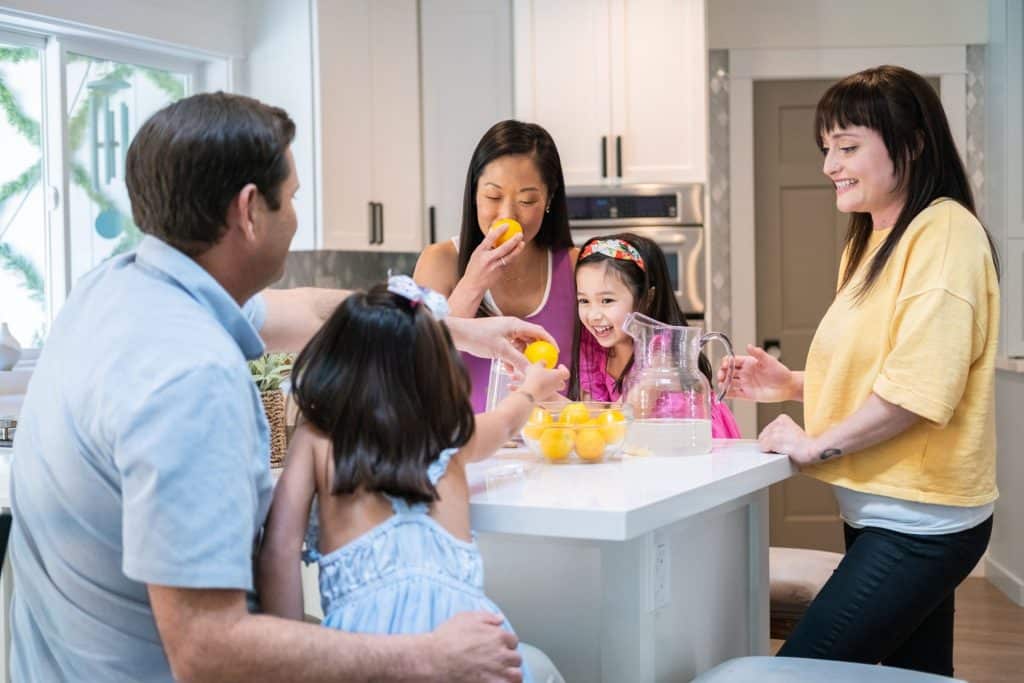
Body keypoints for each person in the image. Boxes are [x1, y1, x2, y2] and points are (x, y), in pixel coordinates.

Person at [8, 92, 557, 682]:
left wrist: (445, 325)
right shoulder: (192, 378)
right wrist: (426, 659)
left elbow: (311, 312)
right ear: (249, 211)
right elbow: (207, 652)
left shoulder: (123, 290)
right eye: (291, 197)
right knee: (534, 668)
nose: (295, 216)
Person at [720, 65, 1000, 676]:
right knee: (912, 676)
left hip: (920, 524)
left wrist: (814, 444)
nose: (829, 165)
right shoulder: (871, 240)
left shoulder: (945, 233)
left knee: (793, 671)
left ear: (914, 142)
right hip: (882, 512)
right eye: (827, 148)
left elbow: (918, 392)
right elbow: (886, 367)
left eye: (848, 147)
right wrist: (790, 385)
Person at [257, 276, 570, 683]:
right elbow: (509, 418)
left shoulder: (317, 439)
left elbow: (279, 550)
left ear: (336, 361)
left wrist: (291, 655)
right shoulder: (453, 434)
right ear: (438, 368)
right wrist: (532, 387)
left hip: (363, 656)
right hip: (471, 651)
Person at [415, 120, 578, 411]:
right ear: (474, 193)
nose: (508, 214)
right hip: (466, 450)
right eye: (493, 196)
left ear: (549, 198)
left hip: (554, 448)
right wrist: (473, 283)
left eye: (527, 200)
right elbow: (416, 367)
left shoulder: (575, 266)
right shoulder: (439, 262)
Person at [571, 234, 740, 438]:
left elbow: (624, 420)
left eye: (606, 300)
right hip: (642, 451)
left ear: (647, 297)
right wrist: (540, 393)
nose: (593, 315)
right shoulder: (594, 350)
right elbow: (587, 417)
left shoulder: (661, 353)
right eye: (584, 301)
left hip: (690, 450)